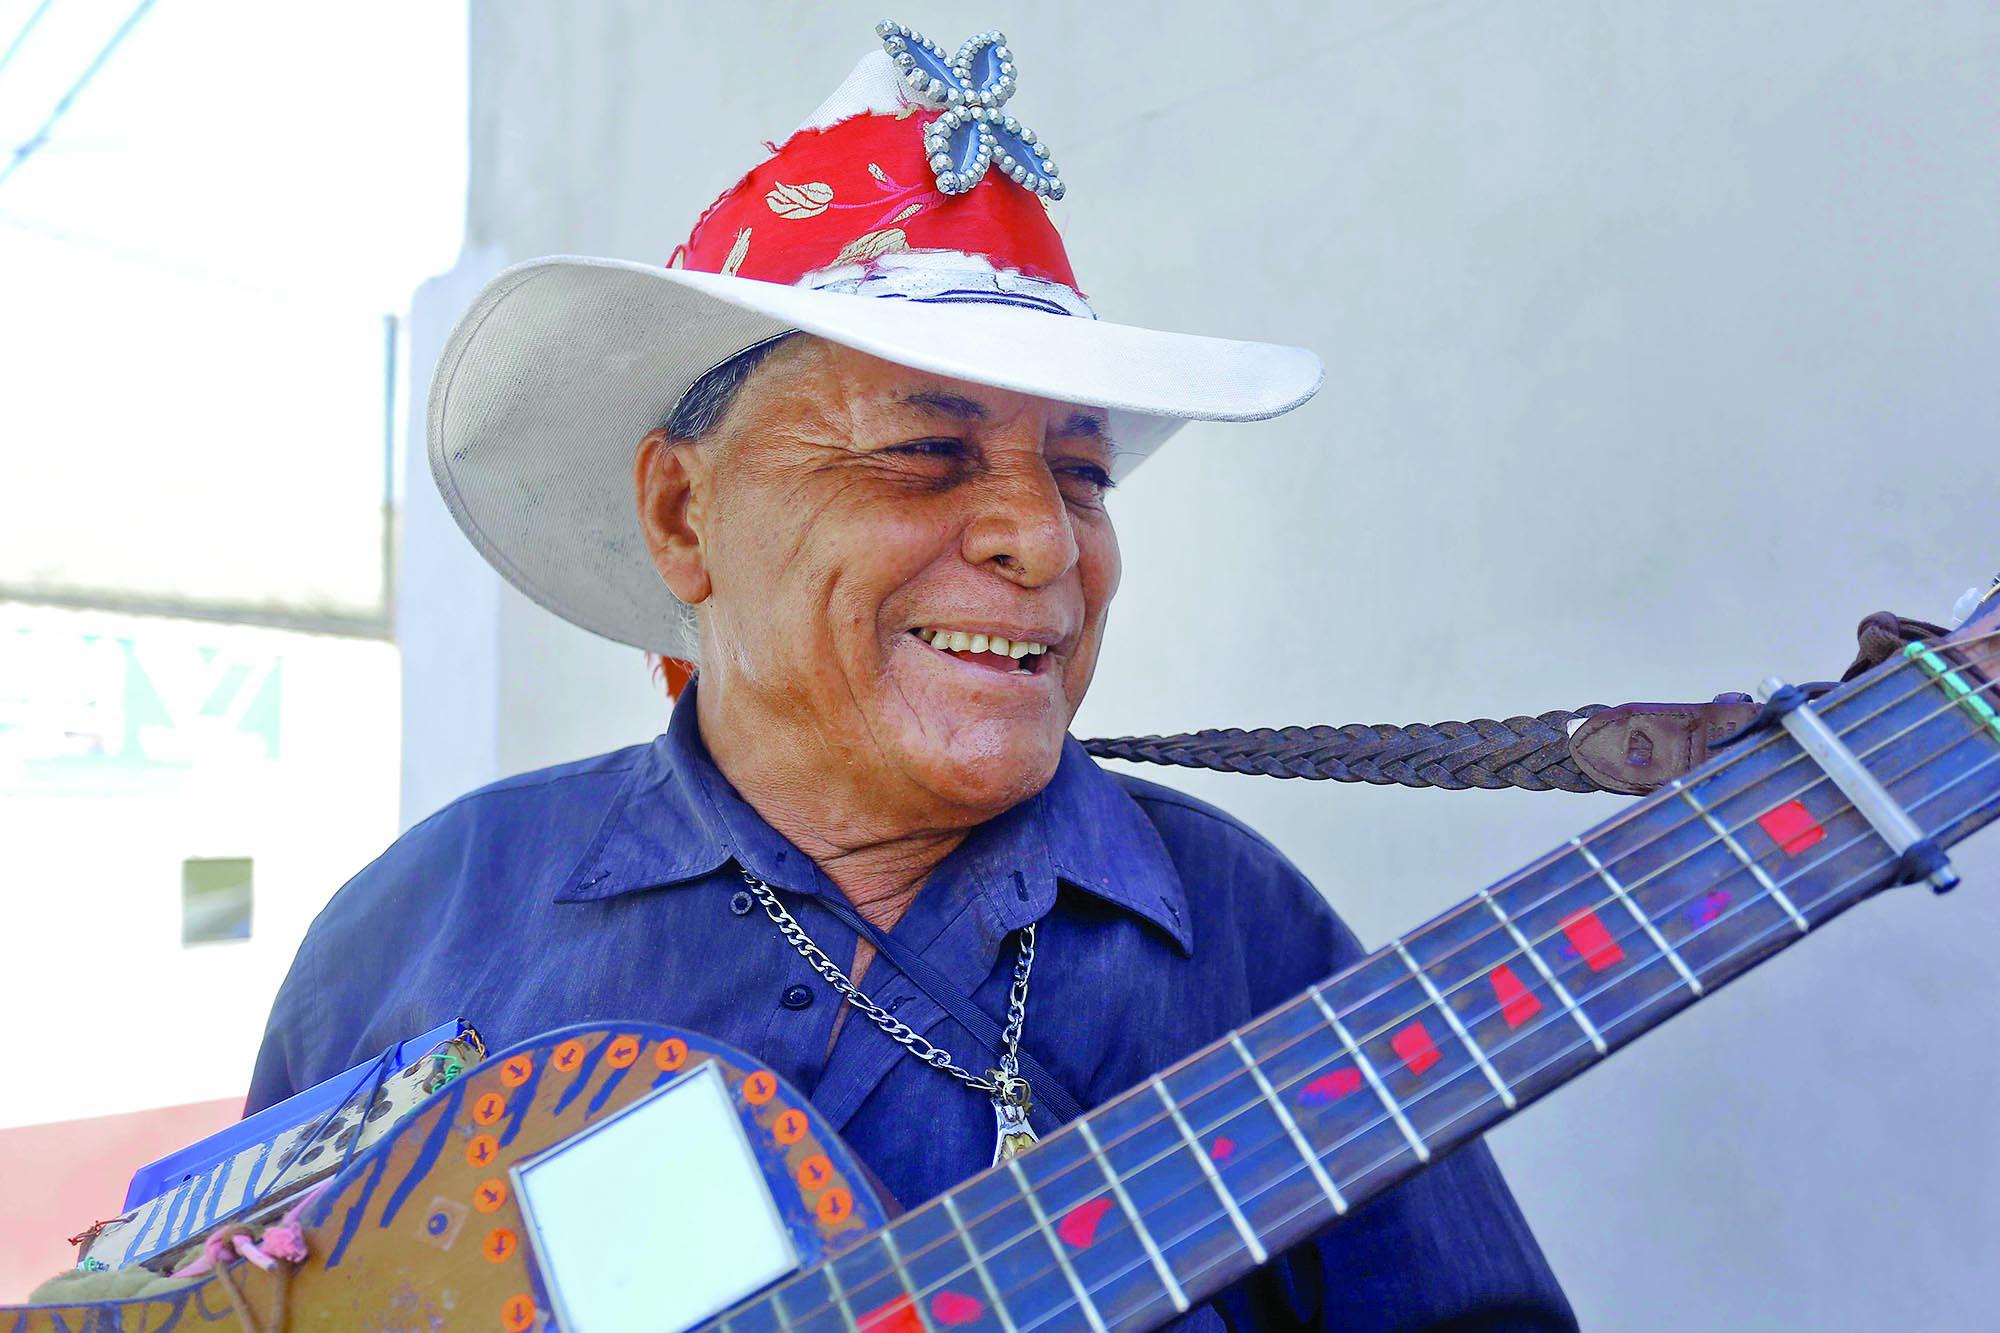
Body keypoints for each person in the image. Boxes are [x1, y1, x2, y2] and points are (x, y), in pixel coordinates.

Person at [248, 23, 1575, 1330]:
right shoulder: (418, 932)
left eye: (1082, 474)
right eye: (926, 454)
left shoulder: (1243, 936)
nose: (1044, 540)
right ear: (681, 513)